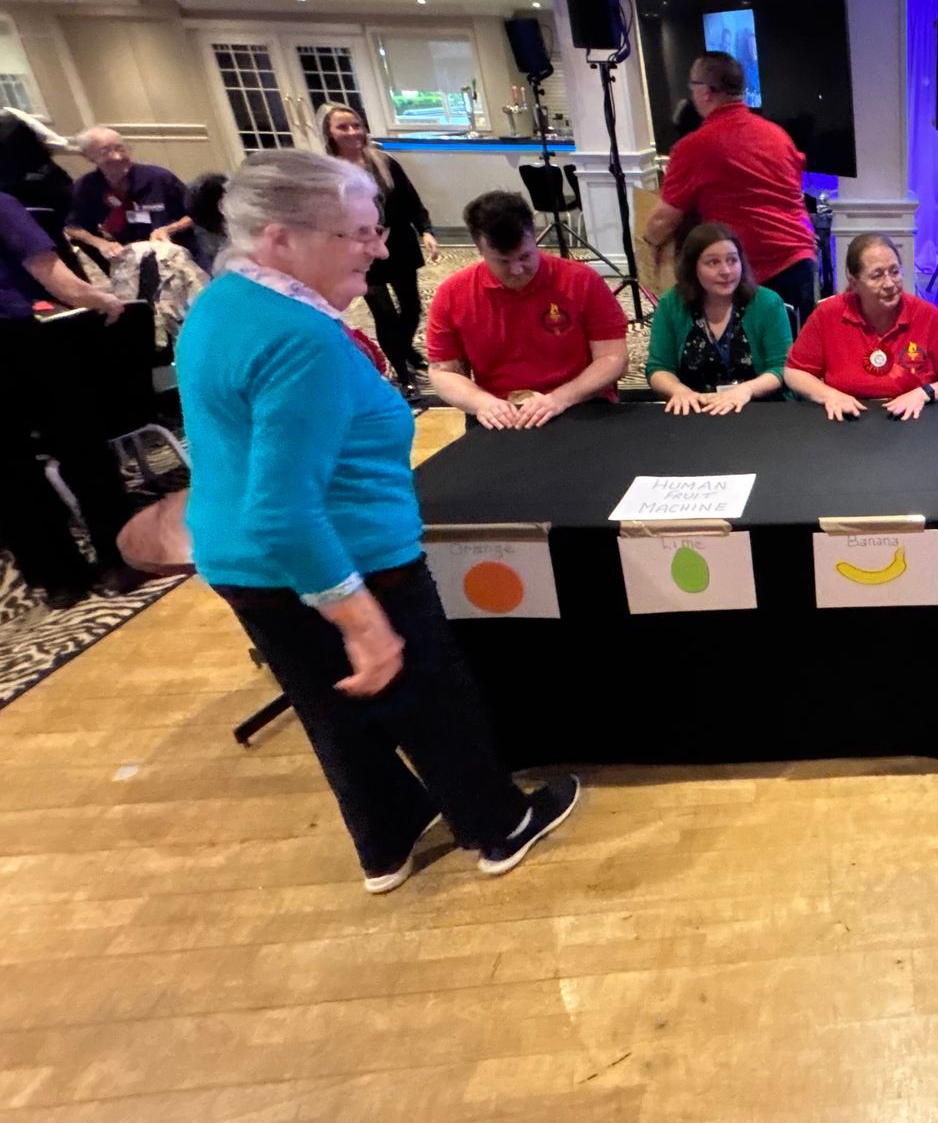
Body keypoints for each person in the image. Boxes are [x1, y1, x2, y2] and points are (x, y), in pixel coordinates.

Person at [176, 151, 578, 890]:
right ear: (281, 238)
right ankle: (498, 827)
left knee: (332, 714)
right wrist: (361, 620)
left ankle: (386, 839)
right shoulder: (301, 339)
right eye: (358, 233)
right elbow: (286, 508)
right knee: (432, 701)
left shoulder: (223, 300)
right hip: (352, 558)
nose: (382, 247)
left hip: (244, 567)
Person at [0, 188, 144, 607]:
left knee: (9, 475)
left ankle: (59, 579)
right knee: (80, 448)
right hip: (20, 337)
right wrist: (102, 299)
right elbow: (48, 270)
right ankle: (120, 558)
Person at [425, 191, 629, 430]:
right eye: (502, 261)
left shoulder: (582, 281)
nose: (517, 269)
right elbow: (443, 372)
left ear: (534, 237)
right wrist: (482, 402)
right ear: (480, 251)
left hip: (579, 403)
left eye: (525, 256)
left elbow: (614, 358)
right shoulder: (453, 293)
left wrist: (559, 399)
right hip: (500, 411)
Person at [643, 51, 820, 323]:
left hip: (750, 275)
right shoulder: (777, 135)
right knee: (798, 358)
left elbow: (663, 220)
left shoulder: (694, 147)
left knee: (753, 361)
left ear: (704, 92)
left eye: (692, 86)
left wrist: (646, 247)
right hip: (799, 262)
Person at [784, 233, 938, 419]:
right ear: (854, 283)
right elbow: (795, 372)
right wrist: (829, 395)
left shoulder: (926, 314)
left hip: (916, 421)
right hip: (847, 421)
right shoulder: (828, 314)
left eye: (895, 272)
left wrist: (925, 392)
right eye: (877, 276)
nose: (889, 283)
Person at [318, 103, 439, 390]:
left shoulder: (384, 162)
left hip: (398, 245)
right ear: (329, 133)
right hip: (359, 251)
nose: (352, 132)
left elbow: (411, 200)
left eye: (356, 125)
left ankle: (405, 348)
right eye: (343, 127)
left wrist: (426, 231)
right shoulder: (327, 173)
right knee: (384, 314)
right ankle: (403, 373)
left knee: (411, 309)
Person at [645, 220, 793, 415]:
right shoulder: (672, 303)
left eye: (732, 260)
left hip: (758, 408)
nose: (726, 271)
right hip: (696, 409)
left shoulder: (767, 302)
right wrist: (678, 390)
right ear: (692, 267)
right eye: (713, 262)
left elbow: (781, 368)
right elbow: (658, 368)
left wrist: (747, 389)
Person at [63, 127, 193, 266]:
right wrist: (101, 243)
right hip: (127, 255)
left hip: (173, 250)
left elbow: (195, 214)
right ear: (87, 156)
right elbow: (72, 226)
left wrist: (169, 229)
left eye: (120, 149)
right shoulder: (86, 186)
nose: (117, 157)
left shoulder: (159, 178)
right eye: (105, 151)